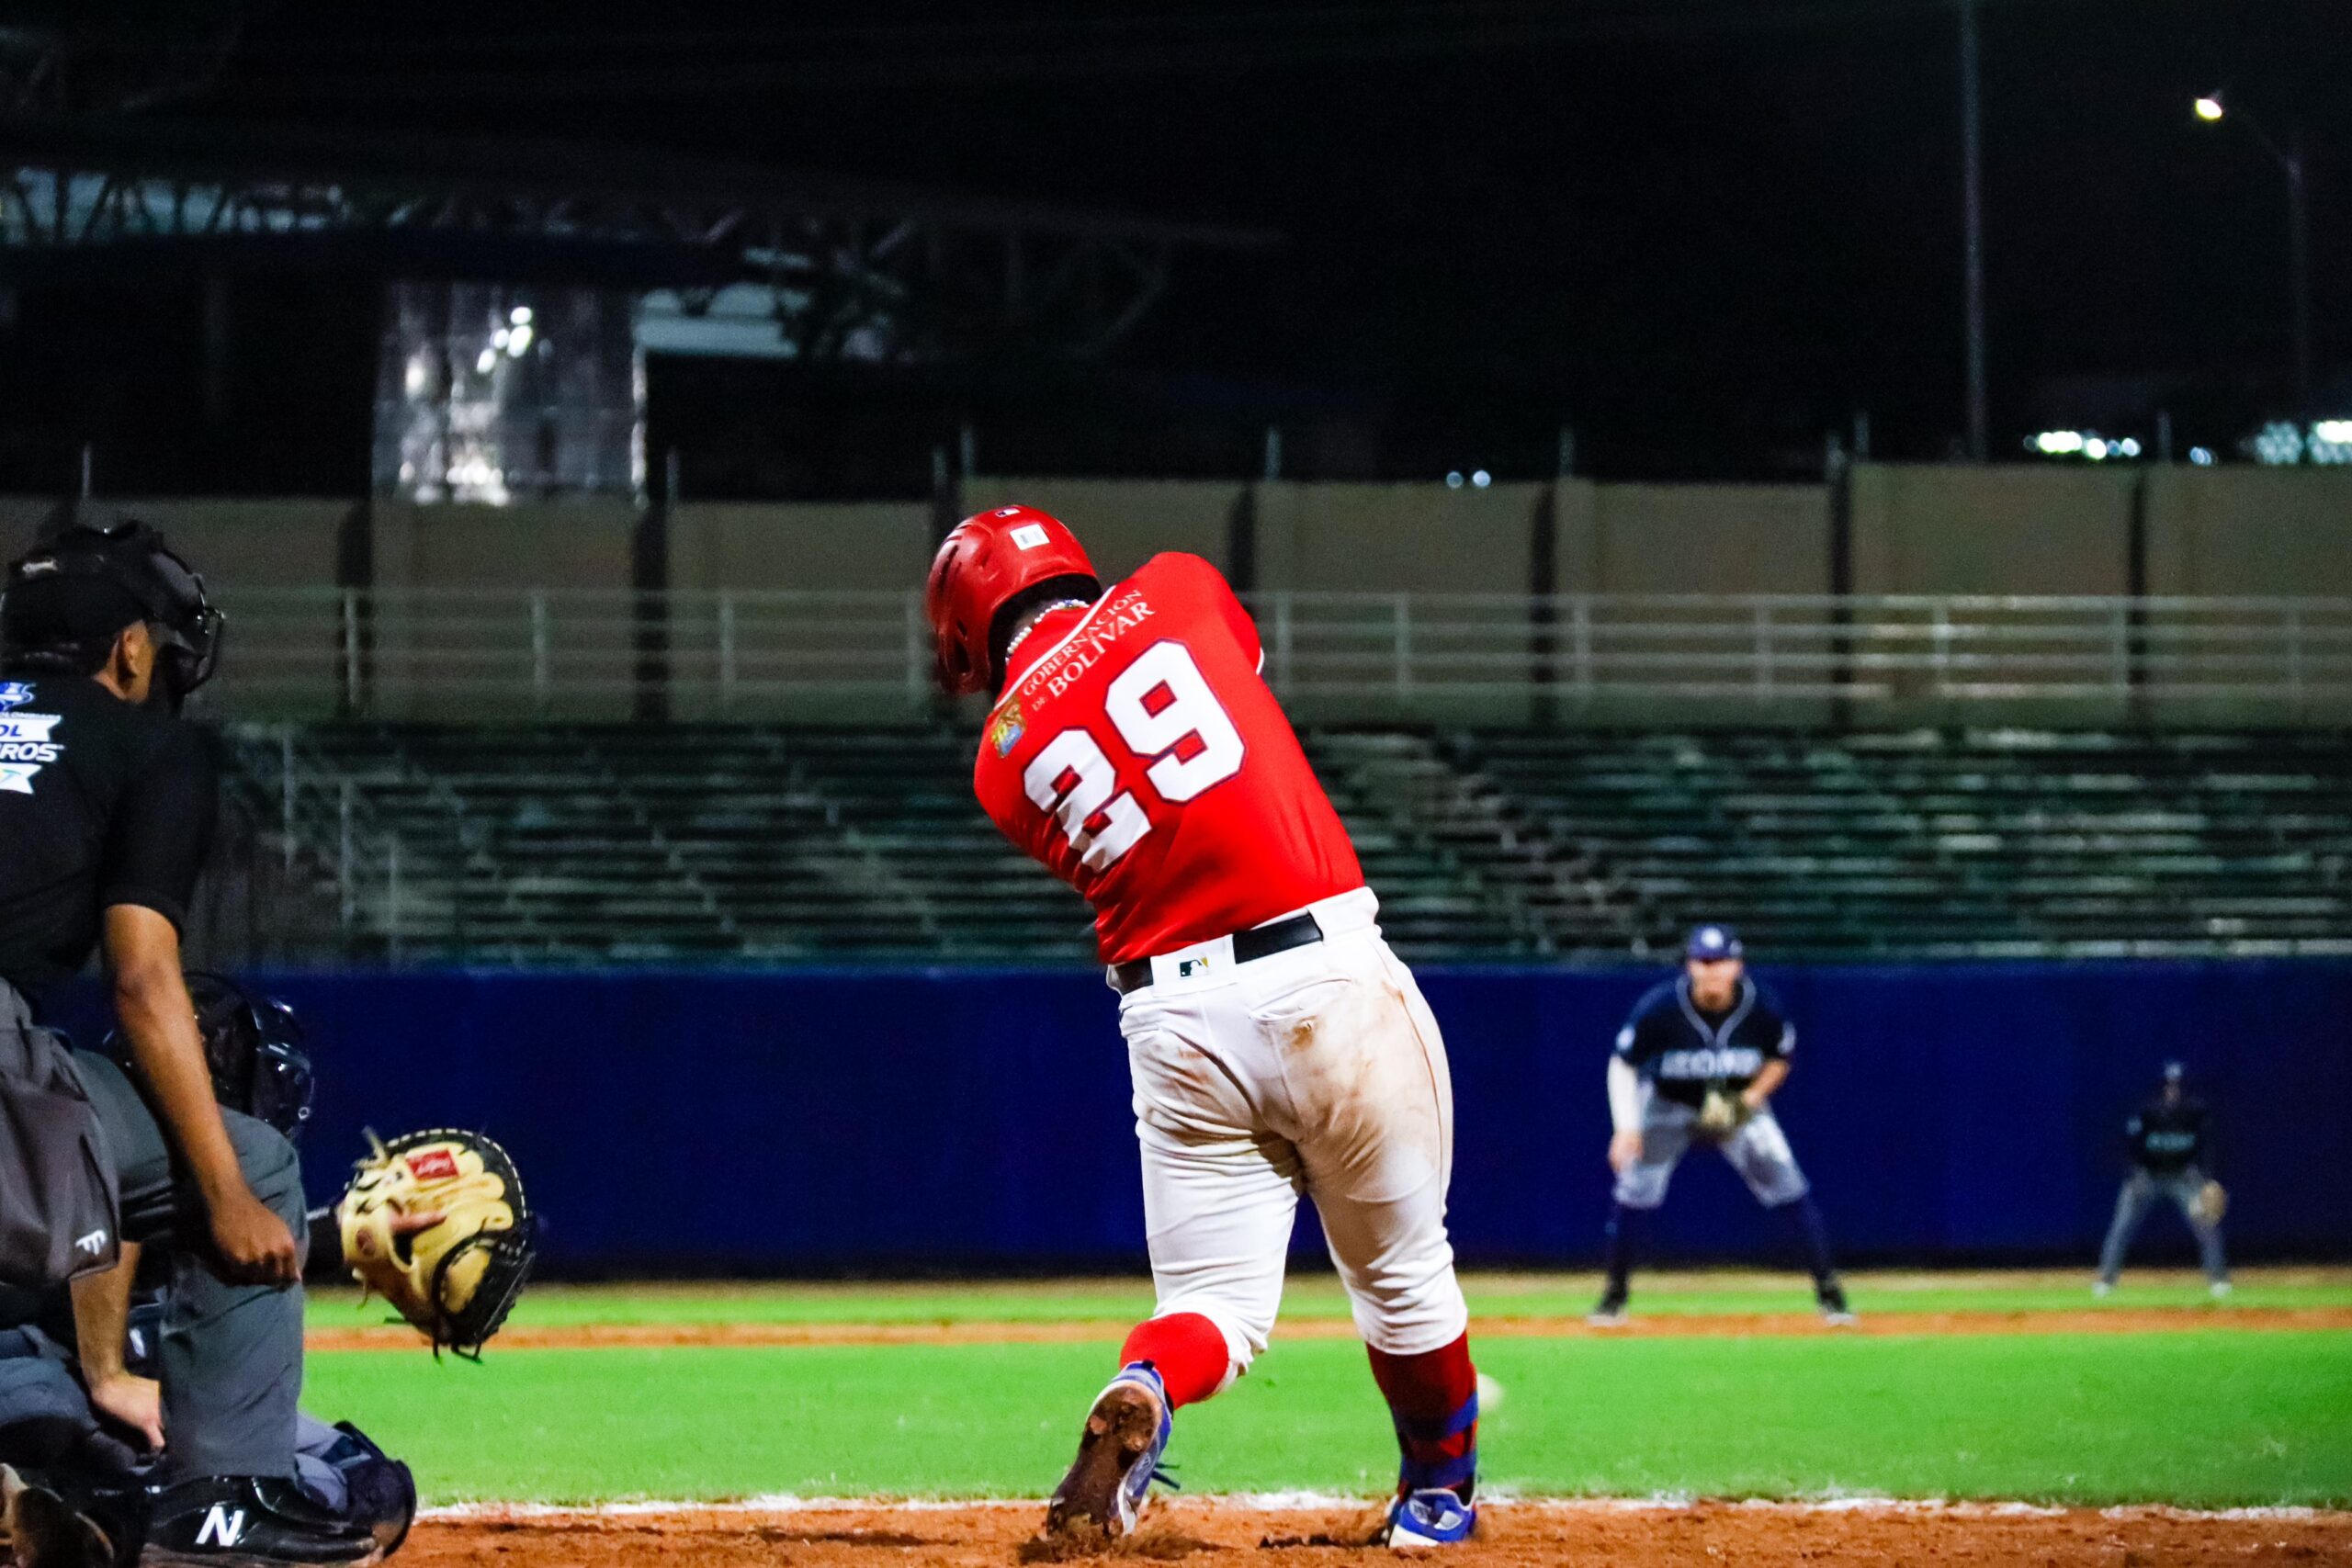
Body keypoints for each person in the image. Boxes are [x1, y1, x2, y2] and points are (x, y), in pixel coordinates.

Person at [927, 505, 1482, 1549]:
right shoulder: (1175, 585)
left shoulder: (999, 762)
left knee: (1211, 1306)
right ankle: (1435, 1505)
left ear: (966, 629)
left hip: (1176, 1021)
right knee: (1403, 1278)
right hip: (1323, 971)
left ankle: (1145, 1382)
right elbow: (1226, 698)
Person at [0, 515, 378, 1566]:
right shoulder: (146, 744)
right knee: (249, 1159)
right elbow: (140, 976)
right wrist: (226, 1193)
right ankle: (223, 1506)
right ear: (131, 649)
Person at [1590, 924, 1851, 1325]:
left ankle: (1831, 1294)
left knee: (1790, 1186)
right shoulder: (1660, 1008)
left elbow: (1779, 1058)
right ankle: (1614, 1296)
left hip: (1736, 1105)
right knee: (1634, 1191)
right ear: (1690, 966)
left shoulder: (1761, 1006)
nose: (1712, 971)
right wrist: (1627, 1126)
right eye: (1704, 961)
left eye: (1721, 962)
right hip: (1668, 1105)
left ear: (1737, 966)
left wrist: (1750, 1099)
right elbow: (1623, 1063)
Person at [2095, 1061, 2229, 1299]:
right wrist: (2133, 1175)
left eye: (2177, 1086)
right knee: (2121, 1227)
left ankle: (2218, 1281)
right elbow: (2128, 1146)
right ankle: (2106, 1281)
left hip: (2183, 1177)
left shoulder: (2195, 1113)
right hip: (2147, 1177)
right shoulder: (2147, 1112)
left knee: (2206, 1225)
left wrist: (2206, 1178)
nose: (2172, 1091)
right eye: (2169, 1086)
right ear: (2161, 1088)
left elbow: (2207, 1147)